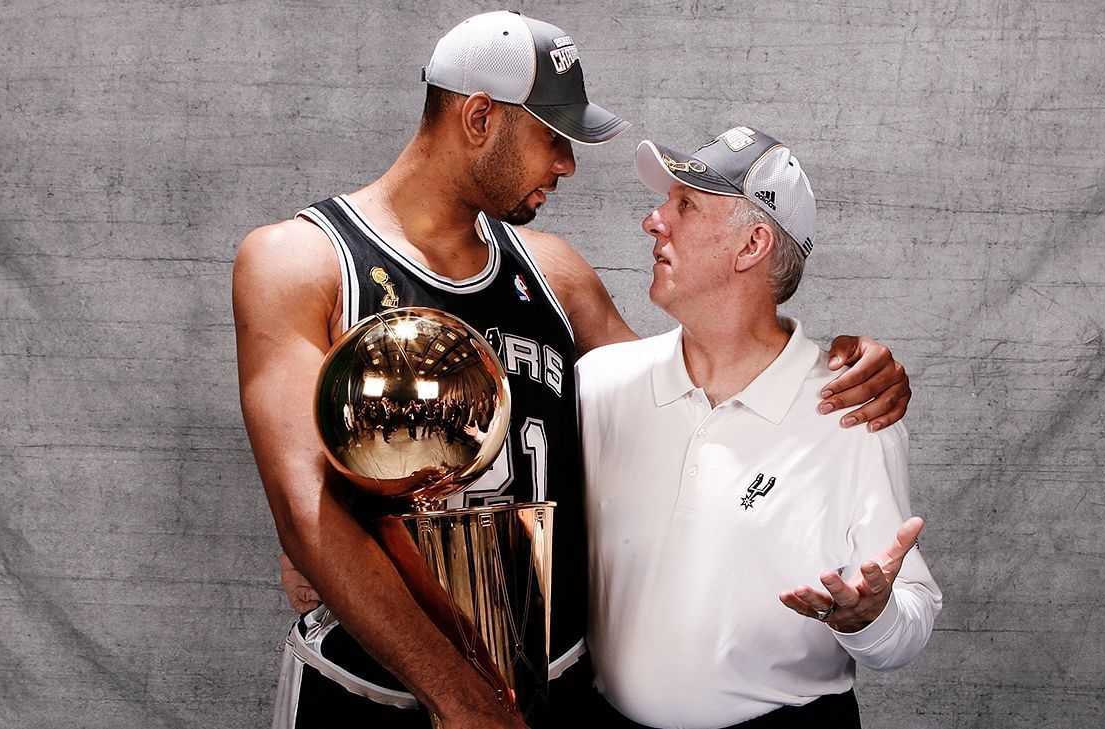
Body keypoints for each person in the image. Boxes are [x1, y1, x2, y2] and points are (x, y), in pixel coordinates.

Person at [236, 11, 912, 729]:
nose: (566, 163)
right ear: (478, 118)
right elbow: (305, 510)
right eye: (552, 137)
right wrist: (461, 700)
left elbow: (690, 402)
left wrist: (829, 362)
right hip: (372, 691)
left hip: (549, 692)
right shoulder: (299, 263)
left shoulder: (556, 274)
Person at [578, 127, 942, 729]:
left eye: (685, 205)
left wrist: (869, 620)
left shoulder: (851, 415)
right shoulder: (600, 386)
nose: (652, 220)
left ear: (752, 244)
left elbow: (911, 620)